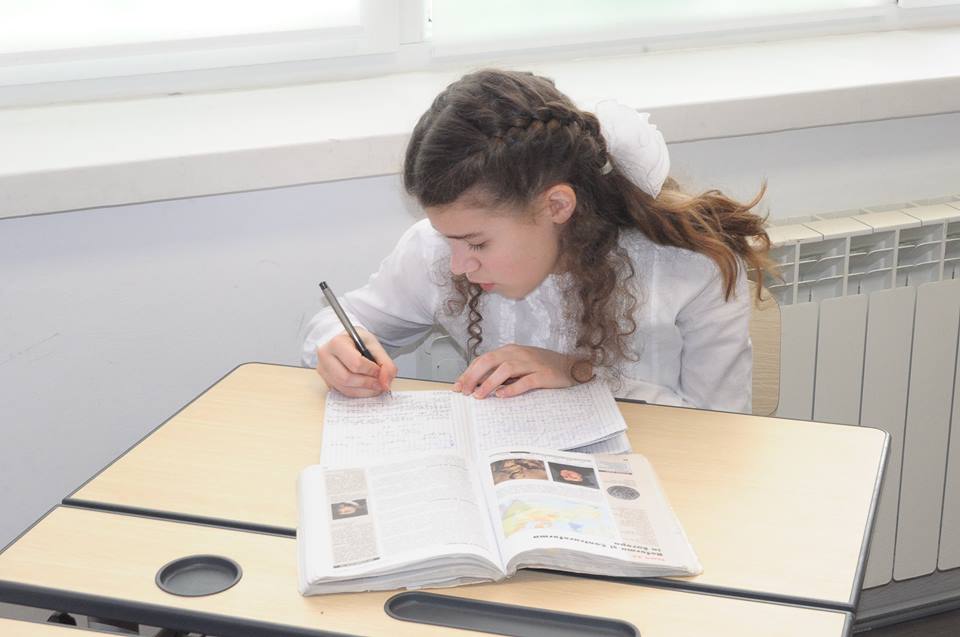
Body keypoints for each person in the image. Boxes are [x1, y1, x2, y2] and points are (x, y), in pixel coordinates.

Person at [302, 69, 776, 412]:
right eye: (450, 241)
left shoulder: (690, 267)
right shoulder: (437, 250)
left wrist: (579, 375)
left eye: (478, 245)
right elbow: (337, 321)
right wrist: (339, 346)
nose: (458, 265)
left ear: (557, 206)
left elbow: (723, 425)